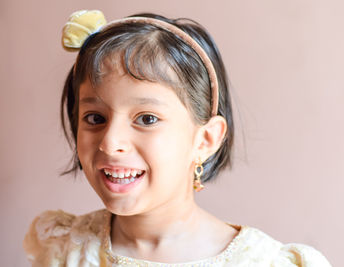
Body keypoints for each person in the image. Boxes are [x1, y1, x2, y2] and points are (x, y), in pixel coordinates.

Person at [23, 10, 332, 267]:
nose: (109, 142)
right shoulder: (63, 251)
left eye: (146, 119)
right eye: (95, 118)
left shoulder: (266, 262)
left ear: (206, 140)